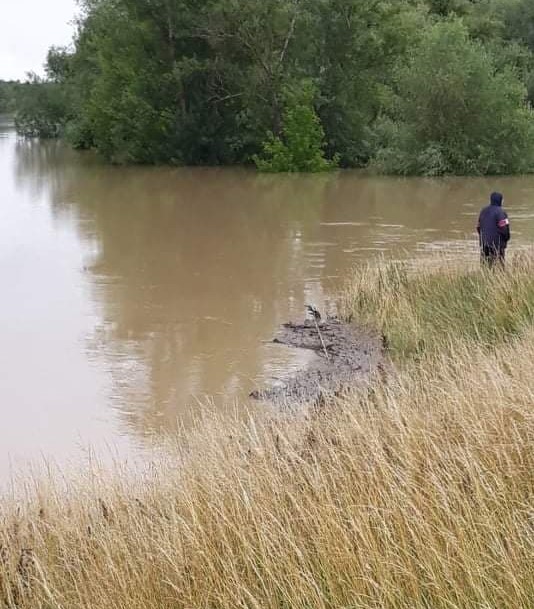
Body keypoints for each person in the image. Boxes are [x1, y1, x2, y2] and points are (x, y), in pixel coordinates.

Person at [477, 192, 510, 268]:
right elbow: (505, 229)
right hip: (497, 245)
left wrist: (484, 237)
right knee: (499, 267)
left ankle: (484, 278)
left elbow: (478, 227)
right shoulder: (501, 212)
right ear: (500, 200)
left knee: (485, 265)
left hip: (484, 243)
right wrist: (506, 239)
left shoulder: (483, 211)